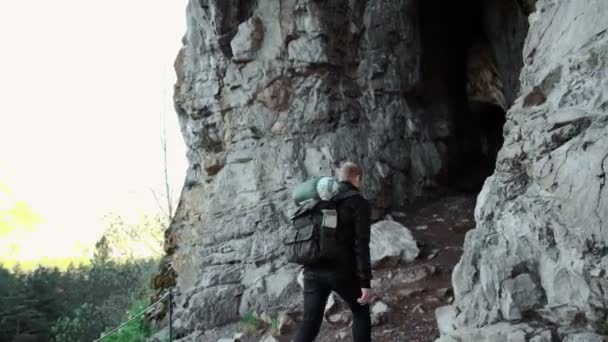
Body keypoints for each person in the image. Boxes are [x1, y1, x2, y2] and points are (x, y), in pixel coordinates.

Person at [293, 161, 372, 342]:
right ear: (358, 179)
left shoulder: (321, 200)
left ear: (339, 178)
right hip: (341, 271)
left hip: (312, 270)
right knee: (360, 311)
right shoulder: (357, 202)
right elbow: (361, 244)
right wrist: (365, 281)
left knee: (310, 324)